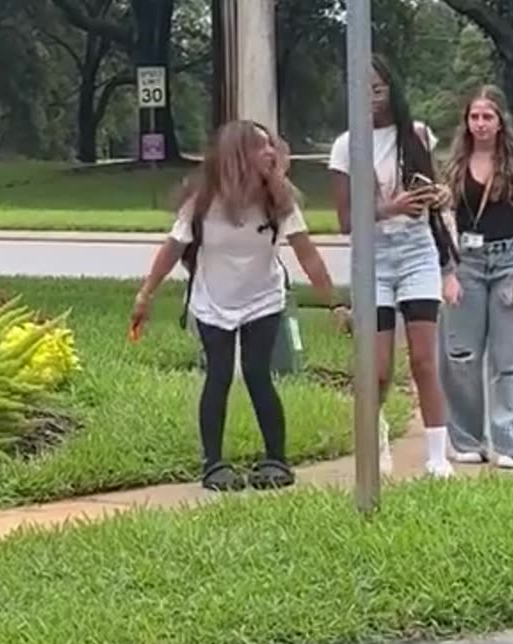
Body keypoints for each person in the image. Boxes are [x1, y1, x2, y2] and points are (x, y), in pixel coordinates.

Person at [130, 120, 346, 492]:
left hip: (263, 297)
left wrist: (335, 305)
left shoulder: (279, 201)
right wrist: (145, 295)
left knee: (258, 373)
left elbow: (308, 257)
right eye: (260, 146)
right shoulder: (202, 203)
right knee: (219, 376)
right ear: (236, 155)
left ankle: (276, 459)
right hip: (213, 300)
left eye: (271, 146)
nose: (270, 152)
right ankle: (213, 464)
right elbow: (171, 251)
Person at [327, 55, 457, 478]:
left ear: (392, 89)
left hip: (417, 252)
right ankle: (377, 433)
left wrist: (438, 196)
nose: (371, 99)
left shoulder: (415, 134)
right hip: (373, 260)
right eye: (362, 91)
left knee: (423, 358)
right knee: (378, 366)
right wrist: (389, 208)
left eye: (378, 89)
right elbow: (347, 222)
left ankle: (437, 456)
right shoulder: (347, 145)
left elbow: (437, 189)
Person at [438, 84, 513, 470]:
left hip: (508, 258)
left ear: (501, 122)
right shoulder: (453, 164)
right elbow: (442, 221)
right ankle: (466, 438)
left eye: (488, 116)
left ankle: (510, 442)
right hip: (466, 261)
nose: (480, 124)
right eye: (474, 117)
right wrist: (447, 271)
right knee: (461, 355)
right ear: (466, 122)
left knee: (510, 357)